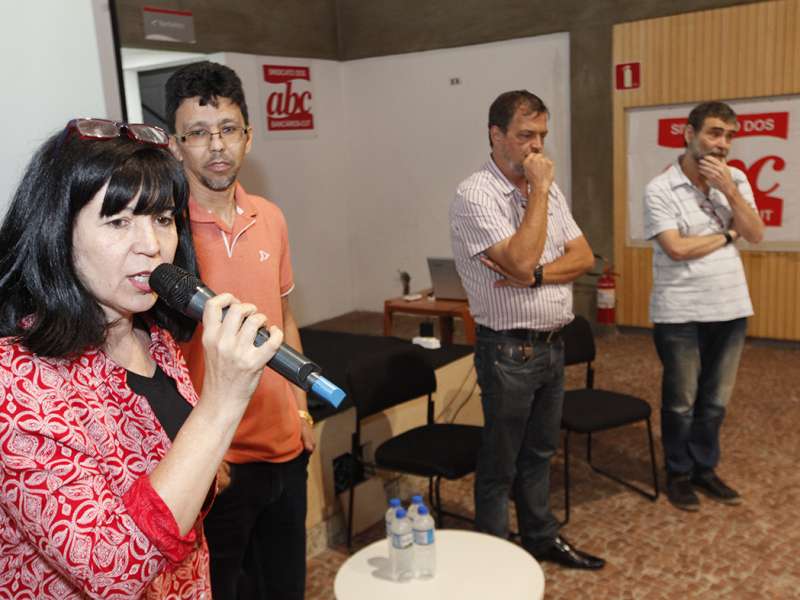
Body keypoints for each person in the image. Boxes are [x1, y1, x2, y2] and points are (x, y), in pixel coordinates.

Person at [0, 119, 283, 599]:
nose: (152, 245)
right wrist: (220, 404)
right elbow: (113, 568)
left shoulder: (154, 339)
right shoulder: (16, 378)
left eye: (163, 218)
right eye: (118, 221)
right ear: (56, 231)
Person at [165, 61, 313, 600]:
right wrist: (200, 453)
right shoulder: (163, 232)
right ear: (176, 144)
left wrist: (302, 411)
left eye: (228, 129)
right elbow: (158, 356)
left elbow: (284, 317)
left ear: (248, 137)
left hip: (284, 450)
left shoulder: (269, 216)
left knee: (285, 590)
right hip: (217, 466)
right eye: (198, 134)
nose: (216, 145)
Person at [450, 90, 604, 569]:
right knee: (501, 463)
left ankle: (540, 537)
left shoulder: (547, 187)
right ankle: (496, 560)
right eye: (525, 136)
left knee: (540, 453)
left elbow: (583, 257)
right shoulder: (475, 194)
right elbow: (517, 257)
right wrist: (537, 195)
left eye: (541, 135)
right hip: (508, 352)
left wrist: (534, 275)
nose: (536, 148)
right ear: (496, 136)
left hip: (552, 344)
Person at [643, 101, 764, 511]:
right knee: (681, 400)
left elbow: (757, 232)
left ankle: (704, 468)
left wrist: (729, 191)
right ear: (688, 133)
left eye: (730, 136)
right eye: (714, 133)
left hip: (730, 307)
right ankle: (678, 472)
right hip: (680, 312)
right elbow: (676, 248)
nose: (723, 144)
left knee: (715, 401)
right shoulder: (660, 188)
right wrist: (728, 236)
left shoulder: (737, 179)